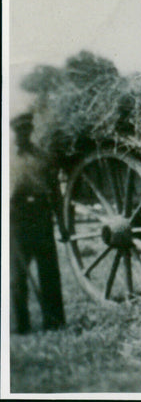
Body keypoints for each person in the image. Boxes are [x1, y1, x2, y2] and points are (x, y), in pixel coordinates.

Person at [9, 112, 66, 333]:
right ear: (13, 132)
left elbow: (56, 192)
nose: (23, 134)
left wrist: (62, 224)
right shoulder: (7, 158)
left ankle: (55, 323)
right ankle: (22, 325)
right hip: (16, 219)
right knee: (17, 276)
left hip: (41, 216)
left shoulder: (43, 157)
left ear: (31, 130)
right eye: (19, 130)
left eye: (27, 130)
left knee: (49, 273)